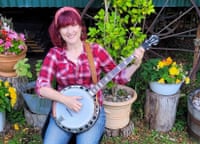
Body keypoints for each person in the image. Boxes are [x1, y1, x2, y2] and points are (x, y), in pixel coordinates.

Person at [35, 6, 145, 144]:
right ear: (58, 32)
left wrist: (136, 63)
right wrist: (65, 100)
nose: (70, 31)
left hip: (93, 111)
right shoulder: (55, 54)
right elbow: (41, 87)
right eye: (64, 27)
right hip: (63, 109)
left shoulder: (96, 51)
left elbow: (119, 77)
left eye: (73, 25)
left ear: (80, 27)